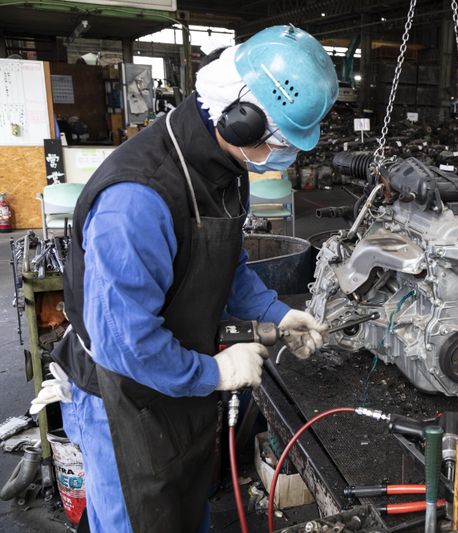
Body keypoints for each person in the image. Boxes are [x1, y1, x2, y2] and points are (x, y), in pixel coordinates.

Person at [30, 25, 338, 533]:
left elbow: (223, 262)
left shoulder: (224, 167)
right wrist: (214, 373)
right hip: (124, 399)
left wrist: (278, 314)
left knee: (188, 510)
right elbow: (123, 343)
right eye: (283, 141)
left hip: (181, 382)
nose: (288, 156)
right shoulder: (137, 200)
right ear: (242, 119)